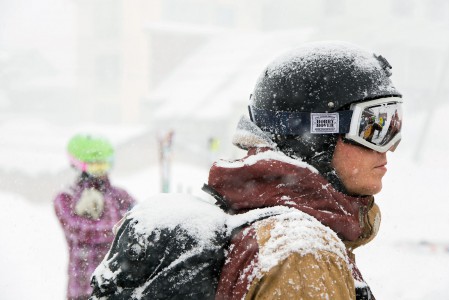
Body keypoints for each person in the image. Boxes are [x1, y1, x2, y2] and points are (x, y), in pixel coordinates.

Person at [206, 41, 403, 299]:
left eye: (393, 124)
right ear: (317, 136)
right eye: (372, 127)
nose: (387, 148)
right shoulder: (303, 256)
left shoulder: (267, 230)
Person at [54, 134, 136, 300]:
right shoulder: (66, 197)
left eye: (105, 164)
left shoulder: (120, 195)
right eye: (95, 165)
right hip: (83, 288)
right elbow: (80, 230)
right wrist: (120, 228)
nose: (102, 171)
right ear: (79, 165)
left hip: (118, 285)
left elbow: (139, 223)